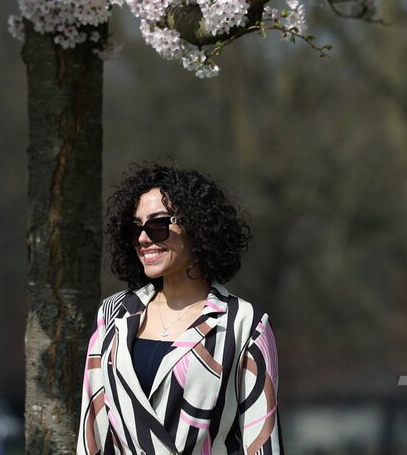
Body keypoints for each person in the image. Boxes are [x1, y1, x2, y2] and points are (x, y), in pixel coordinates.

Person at [77, 163, 282, 455]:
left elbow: (263, 443)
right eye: (134, 228)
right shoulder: (112, 315)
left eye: (158, 225)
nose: (143, 238)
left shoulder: (246, 325)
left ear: (196, 227)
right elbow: (91, 437)